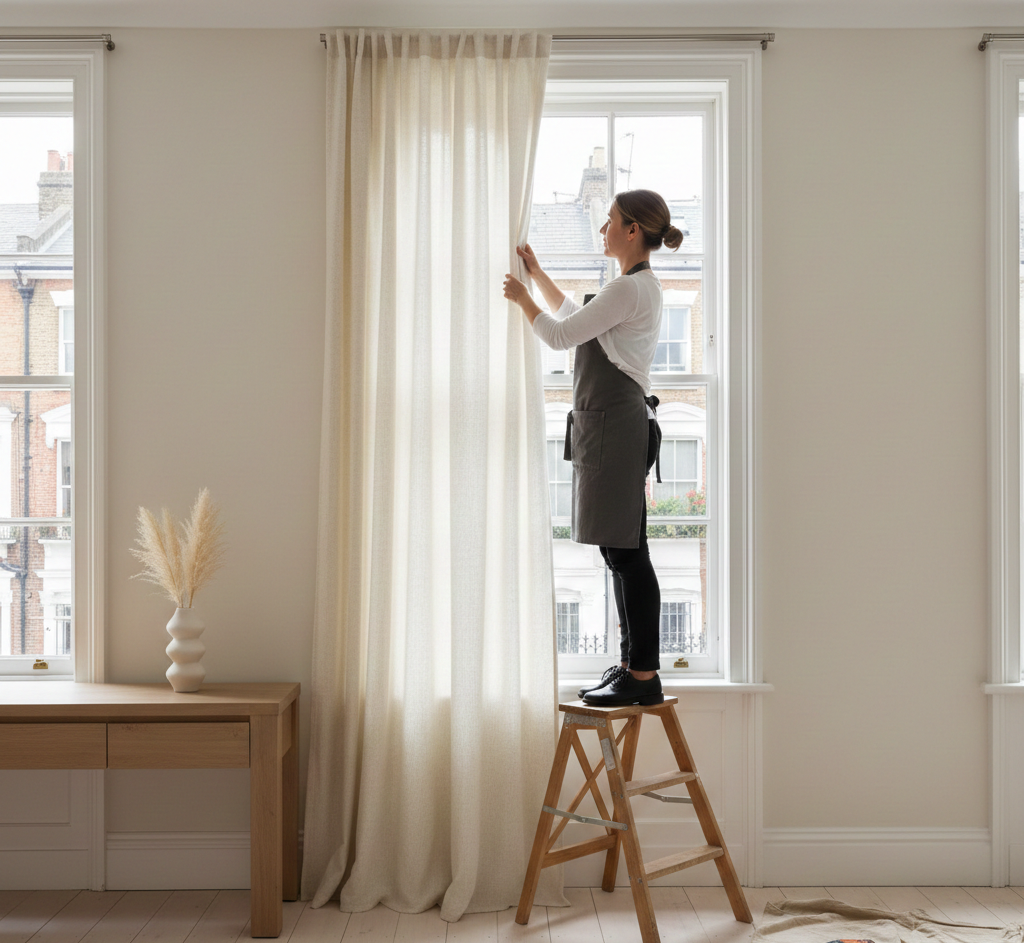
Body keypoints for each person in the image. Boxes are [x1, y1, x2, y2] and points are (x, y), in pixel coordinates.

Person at [503, 189, 684, 706]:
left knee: (627, 553)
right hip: (610, 426)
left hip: (618, 428)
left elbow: (560, 336)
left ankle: (643, 675)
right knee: (619, 549)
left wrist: (520, 299)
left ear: (632, 231)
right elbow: (576, 319)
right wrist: (536, 275)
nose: (602, 229)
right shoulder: (630, 289)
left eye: (609, 222)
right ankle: (632, 667)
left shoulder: (631, 290)